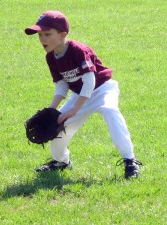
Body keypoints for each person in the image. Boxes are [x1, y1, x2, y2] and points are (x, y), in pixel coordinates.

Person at [24, 10, 142, 179]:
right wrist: (51, 110)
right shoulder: (51, 57)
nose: (42, 39)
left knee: (110, 111)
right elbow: (62, 85)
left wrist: (73, 110)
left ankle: (130, 160)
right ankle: (61, 161)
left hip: (102, 89)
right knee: (58, 126)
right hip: (79, 95)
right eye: (40, 34)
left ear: (62, 34)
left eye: (47, 34)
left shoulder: (78, 50)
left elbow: (90, 81)